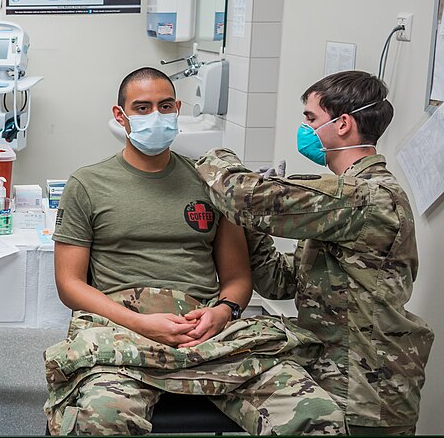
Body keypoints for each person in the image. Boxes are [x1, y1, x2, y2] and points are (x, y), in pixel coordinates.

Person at [46, 67, 344, 435]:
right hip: (122, 332)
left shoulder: (211, 186)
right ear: (120, 116)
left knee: (317, 415)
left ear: (177, 109)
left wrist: (223, 311)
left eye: (164, 106)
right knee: (103, 417)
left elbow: (236, 279)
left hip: (207, 334)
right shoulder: (88, 185)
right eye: (141, 108)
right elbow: (69, 284)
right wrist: (141, 323)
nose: (155, 116)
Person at [195, 70, 434, 435]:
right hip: (332, 373)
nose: (303, 128)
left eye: (311, 118)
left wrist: (213, 153)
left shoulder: (367, 198)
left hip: (365, 390)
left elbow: (241, 195)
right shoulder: (345, 198)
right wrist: (251, 227)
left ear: (343, 124)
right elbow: (280, 283)